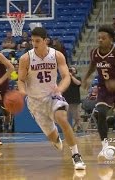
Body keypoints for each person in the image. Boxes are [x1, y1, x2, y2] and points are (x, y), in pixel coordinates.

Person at [17, 27, 86, 170]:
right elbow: (21, 80)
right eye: (32, 41)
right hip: (35, 102)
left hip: (52, 96)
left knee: (63, 119)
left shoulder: (57, 55)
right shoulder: (26, 58)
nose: (34, 44)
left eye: (37, 41)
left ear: (45, 41)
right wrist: (22, 92)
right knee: (53, 138)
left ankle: (76, 155)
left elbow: (66, 76)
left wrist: (59, 89)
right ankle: (55, 136)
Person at [81, 25, 115, 161]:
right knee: (101, 112)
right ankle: (105, 145)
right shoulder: (94, 52)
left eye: (103, 38)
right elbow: (93, 65)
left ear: (110, 39)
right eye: (98, 38)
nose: (100, 40)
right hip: (104, 88)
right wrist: (86, 78)